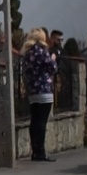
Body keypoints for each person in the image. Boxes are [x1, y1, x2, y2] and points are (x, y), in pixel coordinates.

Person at [22, 27, 58, 162]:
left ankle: (35, 150)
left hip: (33, 90)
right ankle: (41, 152)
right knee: (42, 121)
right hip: (44, 90)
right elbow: (52, 68)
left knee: (34, 120)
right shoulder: (42, 52)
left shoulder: (28, 53)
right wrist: (53, 59)